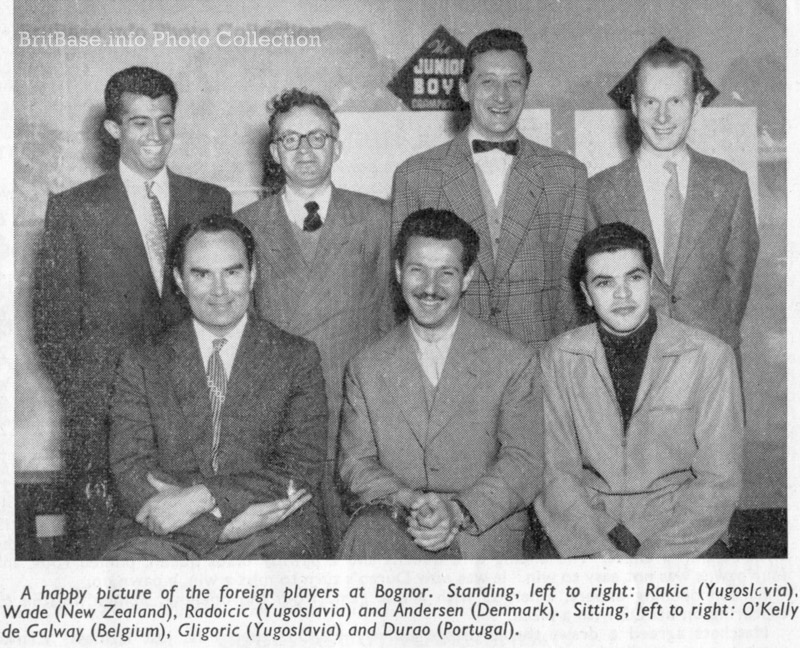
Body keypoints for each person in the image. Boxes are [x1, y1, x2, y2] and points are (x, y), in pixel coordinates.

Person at [33, 66, 232, 559]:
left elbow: (228, 310)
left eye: (165, 121)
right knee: (104, 554)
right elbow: (52, 328)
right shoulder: (74, 210)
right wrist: (95, 404)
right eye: (140, 123)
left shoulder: (211, 200)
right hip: (102, 422)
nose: (157, 135)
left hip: (197, 416)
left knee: (200, 550)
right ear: (114, 129)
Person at [102, 216, 327, 560]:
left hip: (267, 531)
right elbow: (131, 471)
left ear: (253, 275)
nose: (219, 290)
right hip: (167, 537)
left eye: (232, 272)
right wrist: (218, 529)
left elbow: (299, 468)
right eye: (202, 274)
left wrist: (205, 496)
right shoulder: (144, 361)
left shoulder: (297, 357)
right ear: (179, 280)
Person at [338, 208, 543, 559]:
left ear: (467, 277)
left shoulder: (513, 360)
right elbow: (356, 465)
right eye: (418, 270)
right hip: (396, 523)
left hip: (481, 534)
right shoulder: (366, 366)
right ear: (399, 271)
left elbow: (524, 462)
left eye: (446, 273)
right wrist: (411, 502)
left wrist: (457, 512)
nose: (430, 288)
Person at [236, 88, 391, 549]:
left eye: (317, 137)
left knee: (358, 544)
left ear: (337, 146)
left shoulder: (378, 218)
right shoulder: (243, 224)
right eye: (290, 139)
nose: (304, 150)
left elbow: (390, 322)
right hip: (279, 420)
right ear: (273, 153)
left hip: (358, 417)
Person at [534, 222, 743, 558]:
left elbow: (719, 479)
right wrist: (599, 548)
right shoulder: (557, 357)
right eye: (604, 282)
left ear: (650, 282)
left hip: (679, 526)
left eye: (634, 277)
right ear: (586, 293)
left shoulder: (709, 355)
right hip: (589, 523)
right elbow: (555, 472)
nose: (622, 294)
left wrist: (654, 559)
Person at [391, 29, 591, 351]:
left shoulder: (567, 175)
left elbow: (571, 293)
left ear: (526, 89)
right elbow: (406, 289)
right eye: (487, 82)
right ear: (464, 90)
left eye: (514, 82)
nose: (502, 96)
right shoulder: (415, 176)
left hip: (539, 362)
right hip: (450, 361)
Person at [589, 37, 759, 364]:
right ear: (634, 106)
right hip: (631, 363)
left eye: (676, 101)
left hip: (711, 363)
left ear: (696, 104)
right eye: (651, 102)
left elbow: (737, 285)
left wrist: (715, 339)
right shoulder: (599, 192)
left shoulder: (730, 184)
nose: (663, 116)